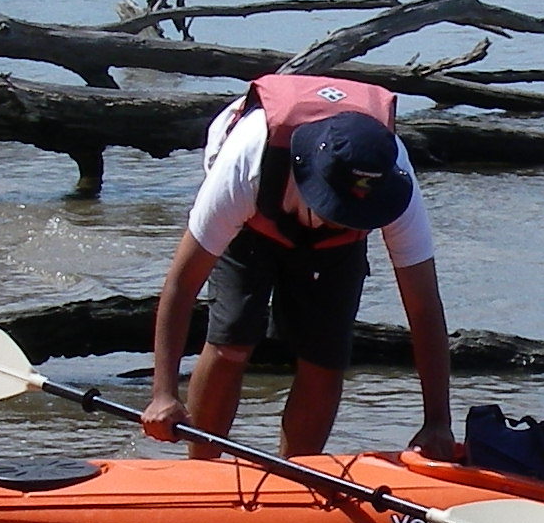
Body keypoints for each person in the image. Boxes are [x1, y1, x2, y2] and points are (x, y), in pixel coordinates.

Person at [141, 73, 456, 461]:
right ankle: (202, 468)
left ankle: (297, 475)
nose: (343, 218)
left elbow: (424, 307)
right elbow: (181, 284)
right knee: (233, 338)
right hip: (255, 219)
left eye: (357, 213)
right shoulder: (247, 162)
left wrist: (438, 422)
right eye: (338, 209)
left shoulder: (394, 178)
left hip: (336, 252)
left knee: (324, 359)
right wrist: (164, 394)